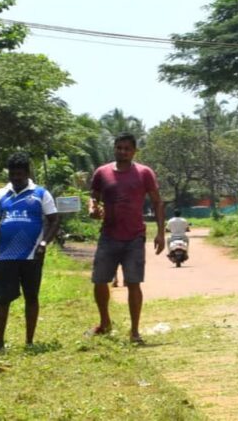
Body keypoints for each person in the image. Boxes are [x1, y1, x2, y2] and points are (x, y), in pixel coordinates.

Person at [87, 133, 165, 343]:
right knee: (99, 280)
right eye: (119, 148)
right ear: (114, 148)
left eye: (127, 148)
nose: (122, 151)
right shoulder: (102, 172)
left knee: (133, 282)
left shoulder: (144, 173)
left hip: (134, 237)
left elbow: (157, 202)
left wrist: (160, 232)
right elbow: (93, 196)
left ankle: (135, 331)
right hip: (108, 235)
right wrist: (93, 208)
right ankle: (105, 322)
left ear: (134, 151)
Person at [0, 152, 60, 350]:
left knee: (31, 297)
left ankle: (29, 342)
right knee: (2, 300)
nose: (16, 178)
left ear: (27, 173)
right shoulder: (1, 195)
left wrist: (44, 243)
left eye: (20, 174)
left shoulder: (41, 194)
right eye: (13, 174)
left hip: (32, 255)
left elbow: (54, 220)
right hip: (6, 256)